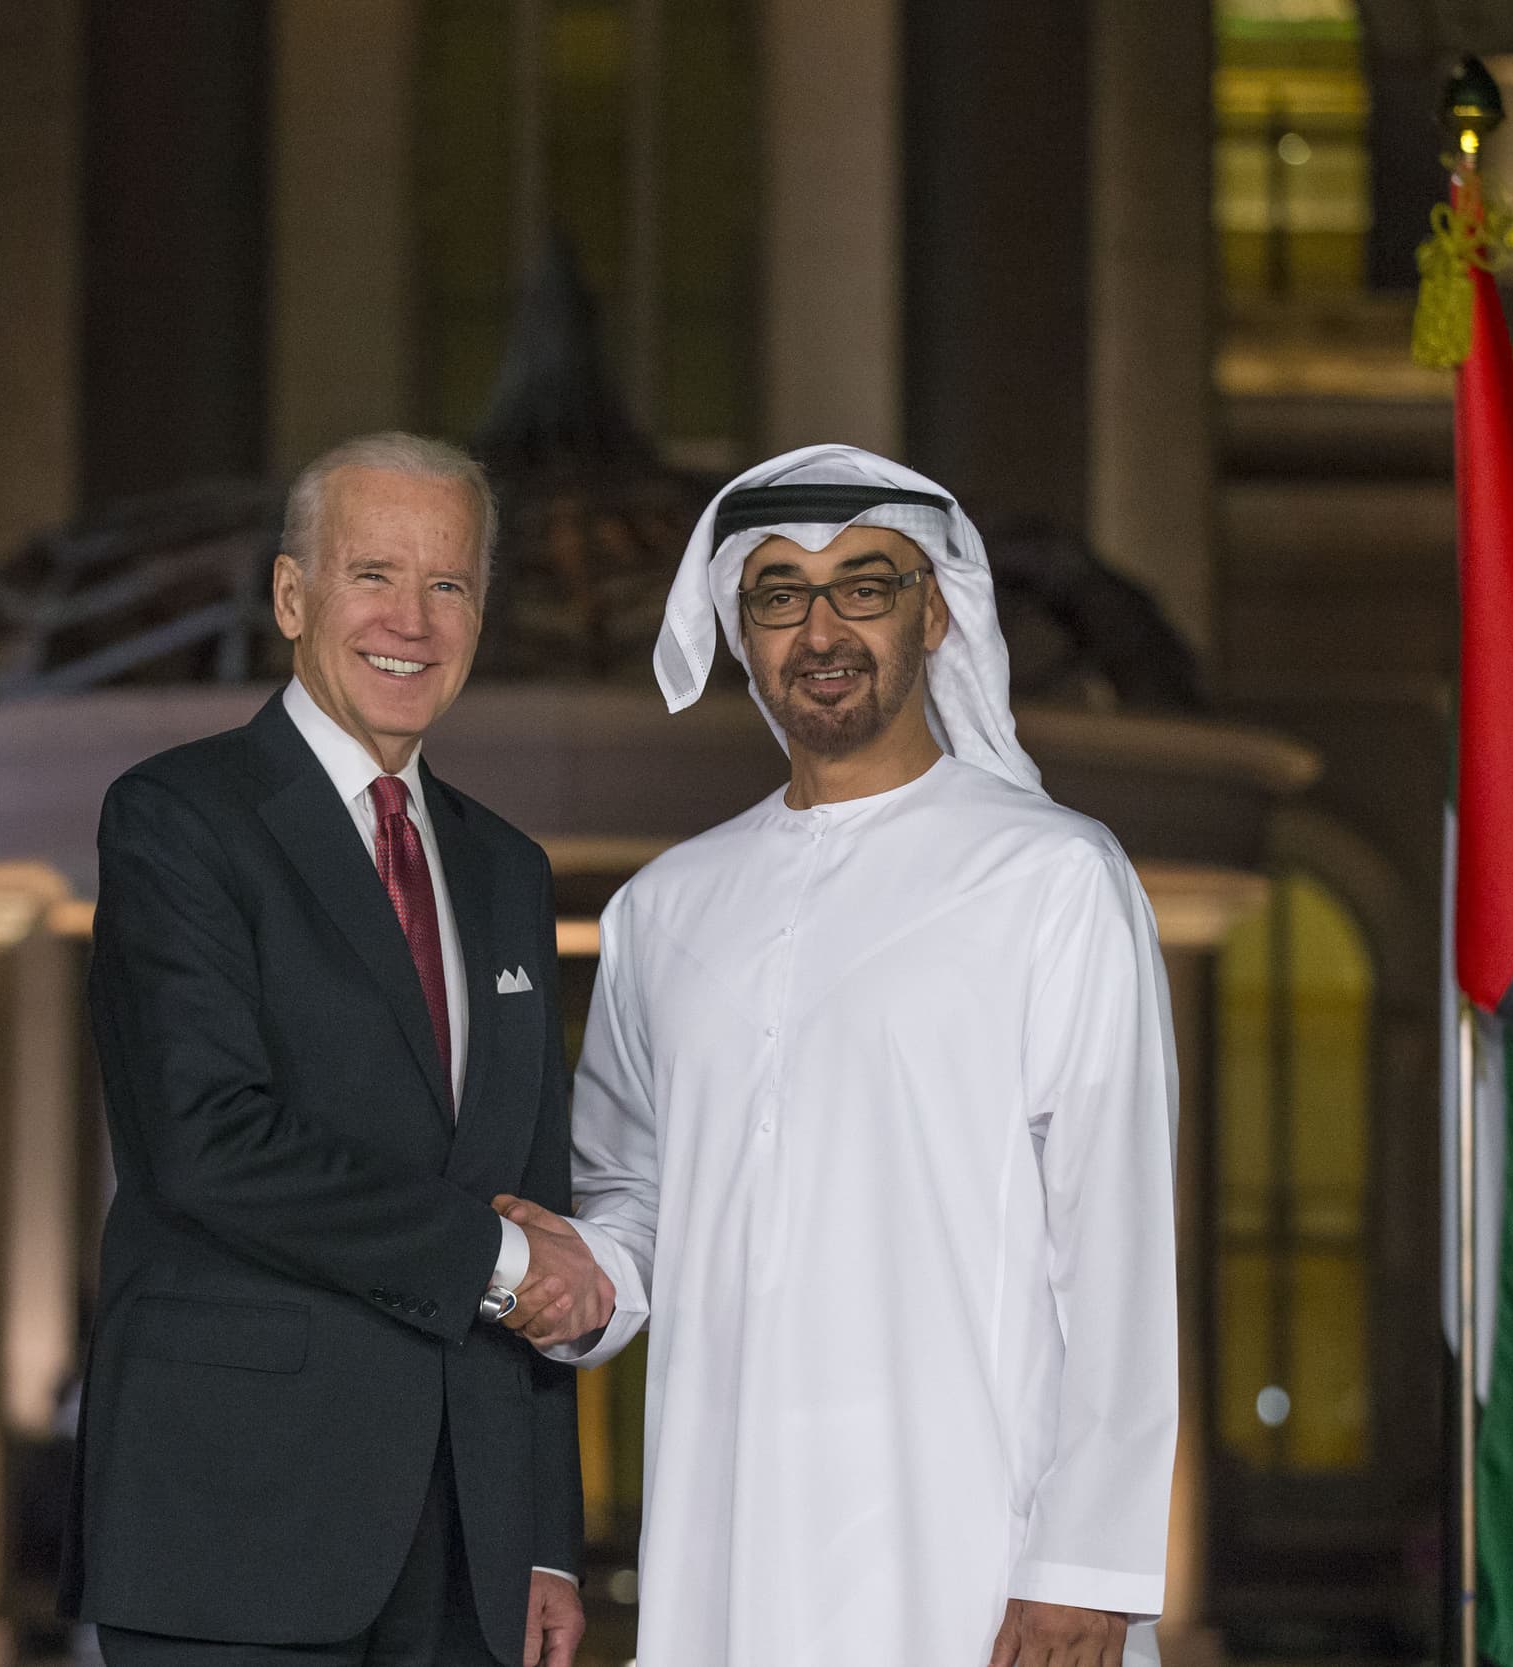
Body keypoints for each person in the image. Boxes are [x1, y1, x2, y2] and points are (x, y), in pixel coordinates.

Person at [501, 444, 1179, 1667]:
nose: (820, 627)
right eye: (778, 592)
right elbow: (637, 1201)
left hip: (975, 1552)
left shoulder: (1052, 877)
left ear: (934, 612)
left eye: (864, 584)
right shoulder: (665, 907)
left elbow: (1117, 1238)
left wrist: (1084, 1563)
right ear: (735, 625)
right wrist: (572, 1269)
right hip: (727, 1546)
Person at [61, 432, 612, 1667]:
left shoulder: (506, 868)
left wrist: (543, 1538)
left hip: (471, 1546)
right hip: (235, 1522)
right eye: (374, 574)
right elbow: (208, 1141)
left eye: (450, 583)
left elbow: (534, 1185)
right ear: (292, 597)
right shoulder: (175, 818)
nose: (411, 619)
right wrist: (498, 1255)